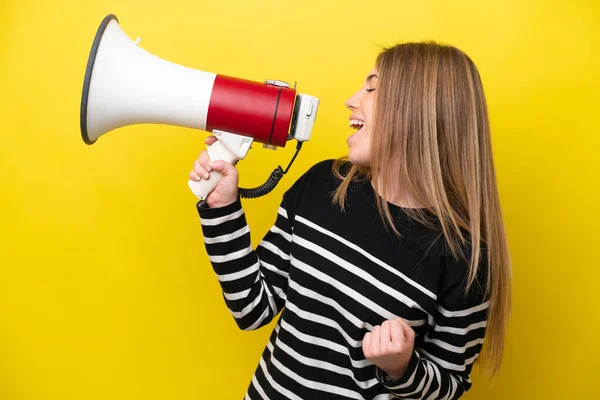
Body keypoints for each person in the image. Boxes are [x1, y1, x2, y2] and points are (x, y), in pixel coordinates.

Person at [189, 41, 512, 399]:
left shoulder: (466, 259)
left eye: (372, 87)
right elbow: (252, 308)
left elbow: (450, 384)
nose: (351, 99)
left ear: (418, 112)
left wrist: (402, 369)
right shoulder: (319, 185)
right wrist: (223, 209)